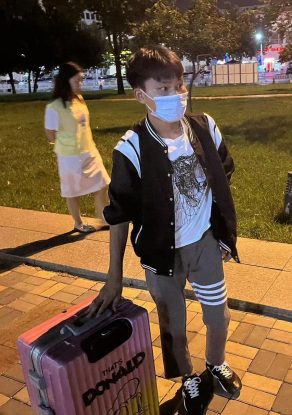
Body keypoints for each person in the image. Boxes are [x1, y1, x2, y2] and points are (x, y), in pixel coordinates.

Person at [87, 46, 242, 414]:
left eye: (179, 85)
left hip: (204, 245)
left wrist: (221, 231)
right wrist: (114, 277)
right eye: (163, 89)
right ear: (141, 95)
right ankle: (188, 378)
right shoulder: (131, 148)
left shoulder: (204, 127)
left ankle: (215, 363)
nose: (176, 95)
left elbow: (223, 174)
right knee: (173, 324)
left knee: (218, 315)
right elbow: (119, 215)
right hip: (161, 255)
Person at [44, 62, 110, 233]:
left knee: (102, 184)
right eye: (77, 81)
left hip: (89, 151)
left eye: (82, 80)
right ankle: (78, 224)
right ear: (66, 81)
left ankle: (104, 219)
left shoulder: (79, 99)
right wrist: (67, 143)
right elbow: (50, 134)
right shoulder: (54, 107)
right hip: (70, 156)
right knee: (73, 192)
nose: (81, 84)